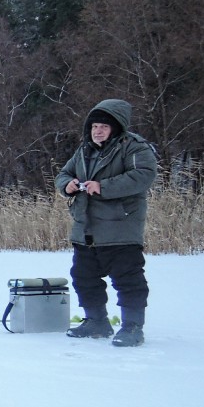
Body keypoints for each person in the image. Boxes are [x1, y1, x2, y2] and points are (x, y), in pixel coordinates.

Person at [56, 99, 158, 347]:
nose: (97, 131)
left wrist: (104, 187)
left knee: (128, 280)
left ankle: (132, 327)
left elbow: (143, 176)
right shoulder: (84, 149)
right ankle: (96, 321)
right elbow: (64, 174)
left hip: (121, 229)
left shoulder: (135, 147)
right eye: (94, 126)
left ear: (115, 127)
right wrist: (66, 186)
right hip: (86, 229)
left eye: (103, 126)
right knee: (82, 277)